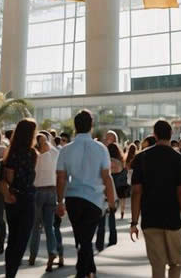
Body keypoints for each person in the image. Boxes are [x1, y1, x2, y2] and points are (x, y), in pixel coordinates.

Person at [56, 110, 116, 278]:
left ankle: (90, 270)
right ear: (91, 125)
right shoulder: (101, 148)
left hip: (73, 199)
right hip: (94, 200)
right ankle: (82, 272)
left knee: (82, 238)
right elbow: (106, 177)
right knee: (86, 239)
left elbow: (61, 178)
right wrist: (112, 202)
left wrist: (59, 201)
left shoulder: (66, 150)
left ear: (75, 126)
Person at [130, 119, 181, 278]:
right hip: (172, 219)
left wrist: (134, 222)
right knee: (175, 263)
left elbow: (136, 191)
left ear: (154, 135)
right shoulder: (179, 159)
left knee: (157, 265)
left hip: (150, 219)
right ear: (171, 134)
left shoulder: (141, 158)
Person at [2, 118, 38, 278]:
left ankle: (10, 272)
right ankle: (11, 272)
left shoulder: (11, 152)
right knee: (22, 239)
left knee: (13, 238)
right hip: (27, 198)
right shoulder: (32, 154)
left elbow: (9, 177)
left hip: (13, 198)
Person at [28, 132, 62, 271]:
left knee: (35, 226)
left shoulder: (35, 154)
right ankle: (52, 251)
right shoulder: (55, 152)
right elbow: (60, 173)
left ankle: (32, 255)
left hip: (38, 191)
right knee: (50, 226)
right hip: (52, 191)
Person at [96, 142, 125, 251]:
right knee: (112, 217)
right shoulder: (119, 163)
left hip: (104, 191)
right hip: (116, 192)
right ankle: (113, 239)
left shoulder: (105, 162)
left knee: (101, 220)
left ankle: (100, 242)